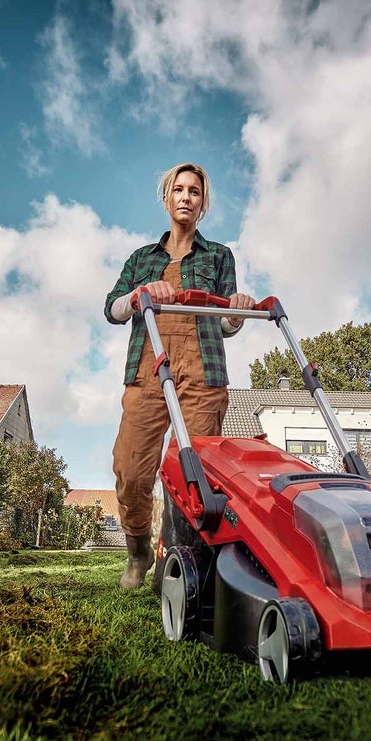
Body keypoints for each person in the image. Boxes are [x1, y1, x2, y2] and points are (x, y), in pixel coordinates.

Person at [103, 162, 255, 589]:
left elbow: (224, 322)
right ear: (167, 198)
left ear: (203, 203)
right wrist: (138, 294)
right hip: (147, 371)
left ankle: (177, 561)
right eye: (179, 190)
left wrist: (237, 312)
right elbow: (111, 309)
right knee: (131, 469)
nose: (186, 197)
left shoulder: (219, 256)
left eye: (195, 191)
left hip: (202, 374)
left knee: (192, 477)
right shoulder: (142, 259)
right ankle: (137, 554)